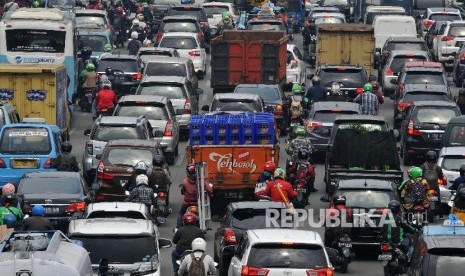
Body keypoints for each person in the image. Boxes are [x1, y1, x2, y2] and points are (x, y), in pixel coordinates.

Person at [176, 164, 213, 228]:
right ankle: (205, 226)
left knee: (181, 214)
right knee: (203, 215)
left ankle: (178, 228)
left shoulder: (185, 182)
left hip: (187, 203)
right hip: (198, 203)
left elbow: (183, 191)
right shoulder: (201, 181)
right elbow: (210, 190)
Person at [382, 200, 417, 265]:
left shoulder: (383, 218)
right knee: (409, 249)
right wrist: (415, 230)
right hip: (396, 242)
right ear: (397, 209)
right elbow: (407, 226)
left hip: (385, 241)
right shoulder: (398, 219)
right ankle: (408, 262)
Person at [420, 151, 444, 219]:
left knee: (422, 199)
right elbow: (441, 177)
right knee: (438, 201)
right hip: (435, 187)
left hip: (425, 188)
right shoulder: (438, 168)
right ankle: (441, 215)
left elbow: (420, 177)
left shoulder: (422, 167)